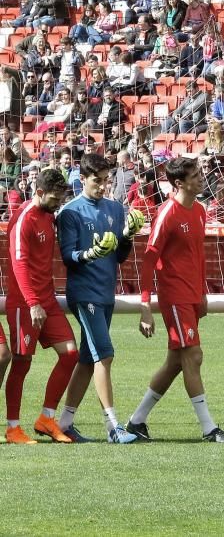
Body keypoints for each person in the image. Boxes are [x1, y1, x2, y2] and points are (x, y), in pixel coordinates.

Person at [126, 157, 224, 444]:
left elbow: (197, 257)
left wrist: (201, 293)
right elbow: (149, 261)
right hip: (173, 296)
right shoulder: (167, 213)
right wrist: (145, 306)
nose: (202, 178)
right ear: (179, 183)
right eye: (196, 175)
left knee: (176, 361)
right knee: (194, 356)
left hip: (191, 296)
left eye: (201, 173)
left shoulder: (199, 210)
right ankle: (209, 428)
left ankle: (136, 421)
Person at [56, 153, 143, 444]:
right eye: (98, 181)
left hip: (106, 291)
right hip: (84, 293)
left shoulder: (115, 209)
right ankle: (113, 426)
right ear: (83, 179)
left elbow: (119, 256)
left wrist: (128, 235)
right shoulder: (70, 212)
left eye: (107, 180)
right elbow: (67, 257)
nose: (103, 186)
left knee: (86, 359)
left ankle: (65, 423)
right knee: (104, 355)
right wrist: (89, 254)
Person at [3, 169, 77, 445]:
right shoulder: (23, 220)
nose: (58, 203)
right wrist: (33, 303)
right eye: (54, 198)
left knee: (70, 354)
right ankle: (12, 428)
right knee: (22, 362)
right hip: (26, 302)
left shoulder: (48, 215)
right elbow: (18, 264)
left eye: (61, 198)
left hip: (47, 299)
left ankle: (46, 418)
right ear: (39, 192)